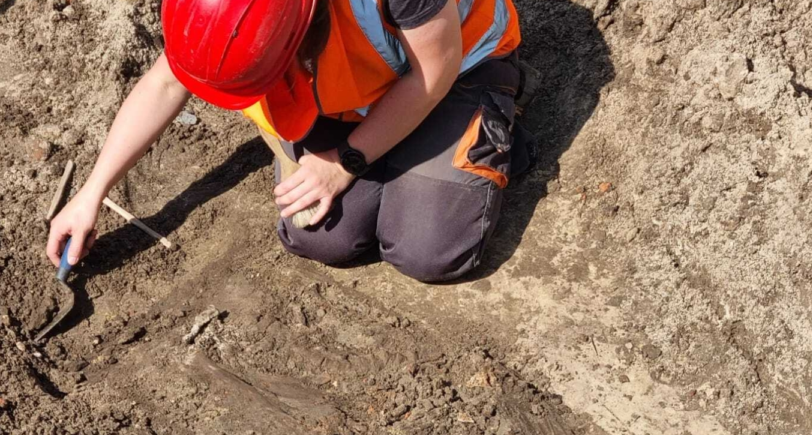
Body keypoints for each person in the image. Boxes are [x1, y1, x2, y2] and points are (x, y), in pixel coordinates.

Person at [47, 0, 531, 283]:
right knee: (322, 236)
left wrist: (346, 161)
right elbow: (166, 82)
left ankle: (496, 123)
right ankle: (399, 157)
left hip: (456, 68)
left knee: (428, 250)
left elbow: (436, 69)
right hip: (348, 87)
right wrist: (92, 193)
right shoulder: (228, 11)